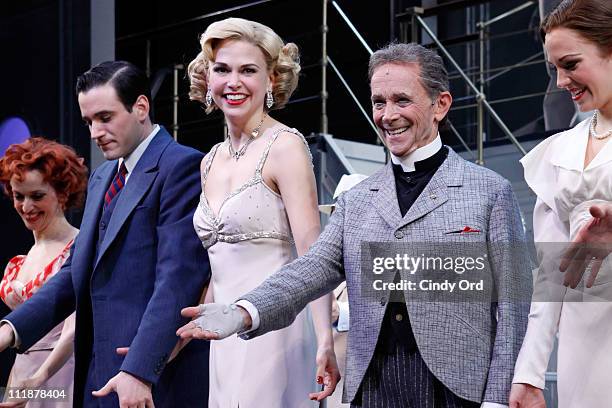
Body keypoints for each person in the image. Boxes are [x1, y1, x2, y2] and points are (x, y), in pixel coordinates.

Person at [179, 42, 531, 408]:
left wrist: (497, 400)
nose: (387, 115)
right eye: (379, 102)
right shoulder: (357, 199)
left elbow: (512, 303)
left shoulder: (490, 192)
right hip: (374, 390)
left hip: (458, 393)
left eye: (401, 100)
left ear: (440, 104)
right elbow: (310, 269)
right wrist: (243, 311)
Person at [0, 61, 211, 408]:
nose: (95, 131)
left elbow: (177, 278)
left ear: (140, 107)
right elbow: (74, 272)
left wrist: (140, 370)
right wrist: (11, 329)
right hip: (96, 374)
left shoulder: (182, 166)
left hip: (150, 378)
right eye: (88, 122)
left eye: (105, 117)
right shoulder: (102, 178)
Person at [185, 17, 338, 408]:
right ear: (208, 77)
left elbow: (313, 253)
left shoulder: (285, 146)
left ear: (271, 80)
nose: (233, 82)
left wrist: (325, 341)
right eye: (222, 69)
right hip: (223, 341)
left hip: (278, 335)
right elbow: (219, 263)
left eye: (248, 70)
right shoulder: (210, 161)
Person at [510, 1, 612, 407]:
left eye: (570, 63)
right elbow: (551, 273)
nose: (561, 80)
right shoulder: (558, 151)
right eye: (554, 68)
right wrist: (530, 374)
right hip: (584, 348)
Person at [0, 138, 87, 407]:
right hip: (21, 373)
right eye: (19, 196)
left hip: (59, 375)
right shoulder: (20, 261)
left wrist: (39, 379)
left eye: (37, 196)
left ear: (62, 192)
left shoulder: (79, 248)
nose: (26, 207)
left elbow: (74, 330)